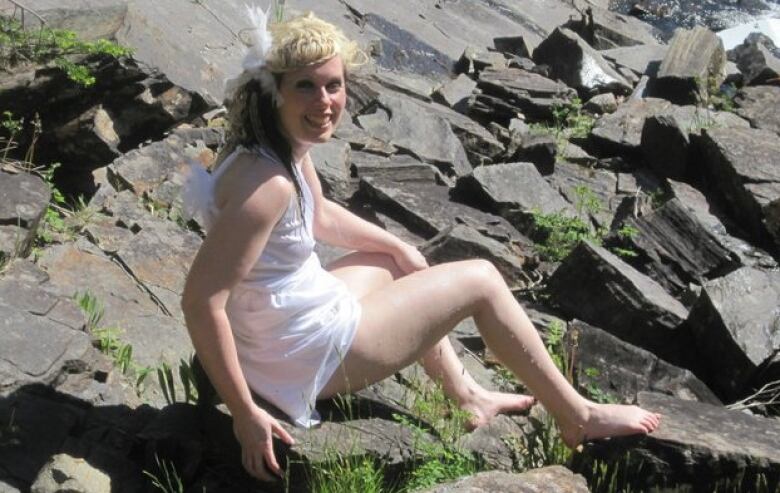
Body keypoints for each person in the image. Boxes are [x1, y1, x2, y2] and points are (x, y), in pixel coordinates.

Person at [181, 6, 661, 482]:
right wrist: (245, 415)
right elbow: (202, 301)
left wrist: (396, 247)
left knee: (390, 259)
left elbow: (322, 215)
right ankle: (576, 415)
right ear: (274, 93)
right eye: (305, 86)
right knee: (482, 280)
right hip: (302, 356)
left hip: (278, 327)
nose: (325, 101)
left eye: (334, 84)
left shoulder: (268, 148)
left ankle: (468, 396)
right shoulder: (270, 186)